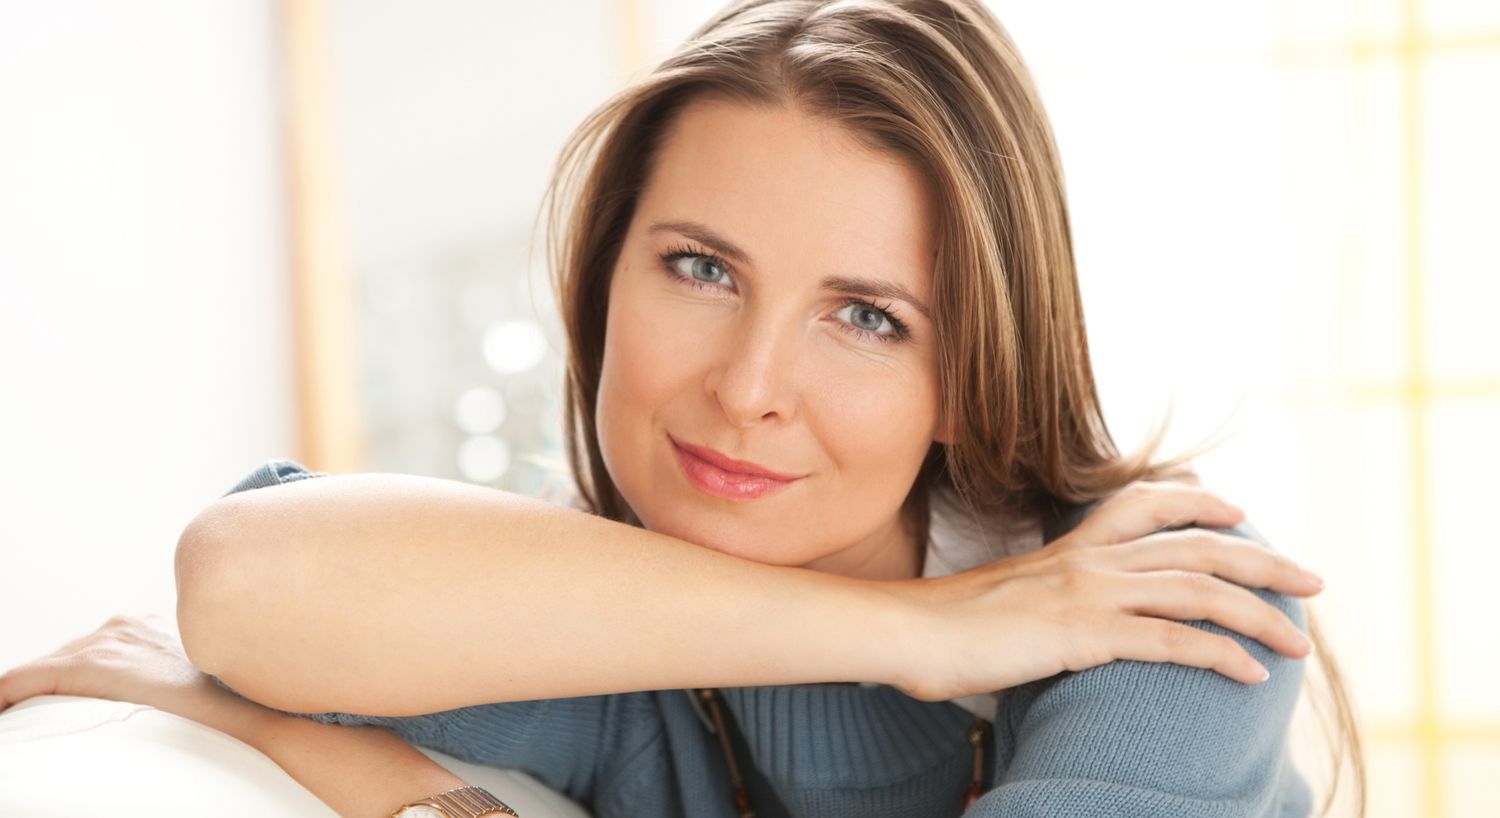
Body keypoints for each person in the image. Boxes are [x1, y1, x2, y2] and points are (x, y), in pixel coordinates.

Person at [0, 1, 1365, 816]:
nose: (747, 388)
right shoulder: (640, 627)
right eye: (701, 269)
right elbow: (243, 578)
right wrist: (913, 632)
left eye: (868, 316)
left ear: (973, 375)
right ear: (603, 278)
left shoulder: (1166, 612)